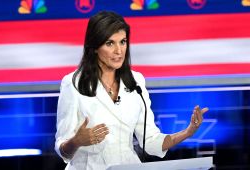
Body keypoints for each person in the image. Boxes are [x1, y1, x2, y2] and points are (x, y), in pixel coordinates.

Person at [55, 11, 208, 170]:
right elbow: (63, 150)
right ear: (94, 47)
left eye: (122, 42)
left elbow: (150, 141)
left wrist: (188, 132)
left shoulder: (136, 81)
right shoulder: (73, 83)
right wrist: (76, 141)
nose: (119, 51)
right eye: (110, 43)